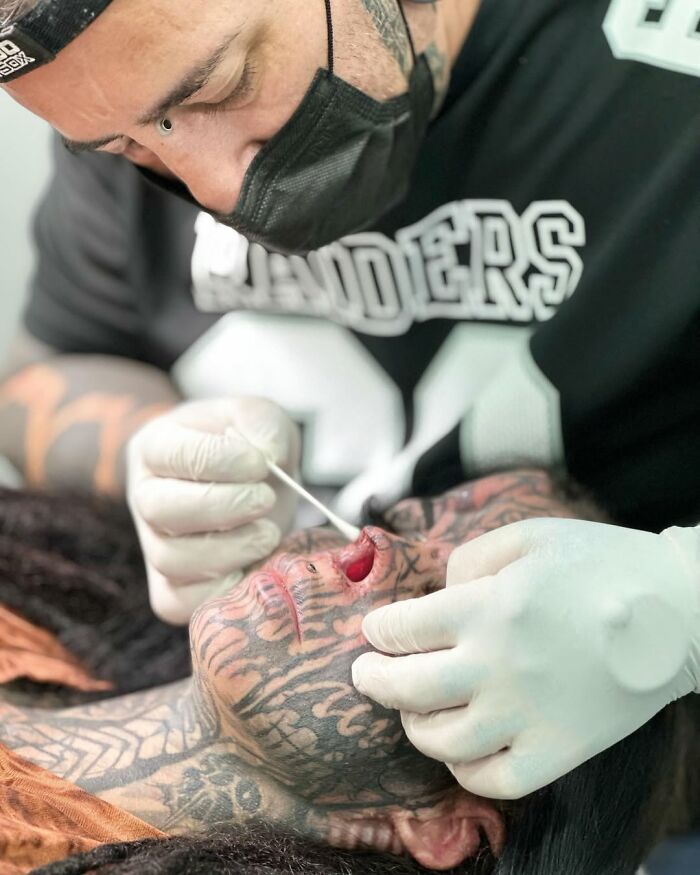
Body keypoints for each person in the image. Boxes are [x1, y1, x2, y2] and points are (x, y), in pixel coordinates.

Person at [0, 0, 699, 801]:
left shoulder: (666, 86)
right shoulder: (119, 81)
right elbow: (46, 372)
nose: (216, 189)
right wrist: (143, 445)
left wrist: (679, 605)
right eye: (127, 146)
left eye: (225, 85)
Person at [0, 473, 694, 875]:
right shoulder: (41, 593)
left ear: (444, 826)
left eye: (442, 600)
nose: (373, 544)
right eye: (396, 519)